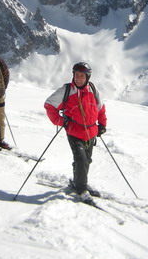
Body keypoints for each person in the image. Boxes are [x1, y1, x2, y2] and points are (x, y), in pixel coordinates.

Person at [44, 62, 107, 203]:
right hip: (74, 132)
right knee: (81, 160)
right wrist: (61, 121)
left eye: (82, 76)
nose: (78, 78)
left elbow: (100, 108)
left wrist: (102, 124)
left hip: (91, 132)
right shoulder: (67, 90)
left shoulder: (92, 89)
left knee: (86, 161)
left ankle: (78, 182)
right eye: (76, 75)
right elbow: (49, 105)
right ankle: (81, 189)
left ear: (87, 77)